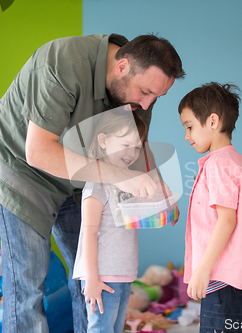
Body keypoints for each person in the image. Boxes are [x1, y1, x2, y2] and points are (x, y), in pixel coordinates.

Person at [0, 33, 184, 332]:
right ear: (122, 66)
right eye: (145, 92)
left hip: (81, 178)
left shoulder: (139, 91)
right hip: (23, 168)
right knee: (29, 286)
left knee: (93, 279)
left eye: (156, 97)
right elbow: (38, 152)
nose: (146, 103)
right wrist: (122, 177)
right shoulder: (63, 62)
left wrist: (158, 188)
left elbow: (138, 145)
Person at [178, 82, 242, 333]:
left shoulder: (218, 164)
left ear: (212, 121)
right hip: (239, 283)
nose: (186, 136)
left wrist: (201, 270)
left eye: (189, 127)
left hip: (223, 282)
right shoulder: (238, 162)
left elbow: (227, 220)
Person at [72, 109, 146, 333]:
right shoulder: (97, 185)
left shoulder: (124, 184)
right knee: (101, 329)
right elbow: (89, 234)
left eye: (137, 147)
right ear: (103, 141)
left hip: (123, 274)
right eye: (125, 145)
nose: (132, 153)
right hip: (103, 277)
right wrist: (92, 280)